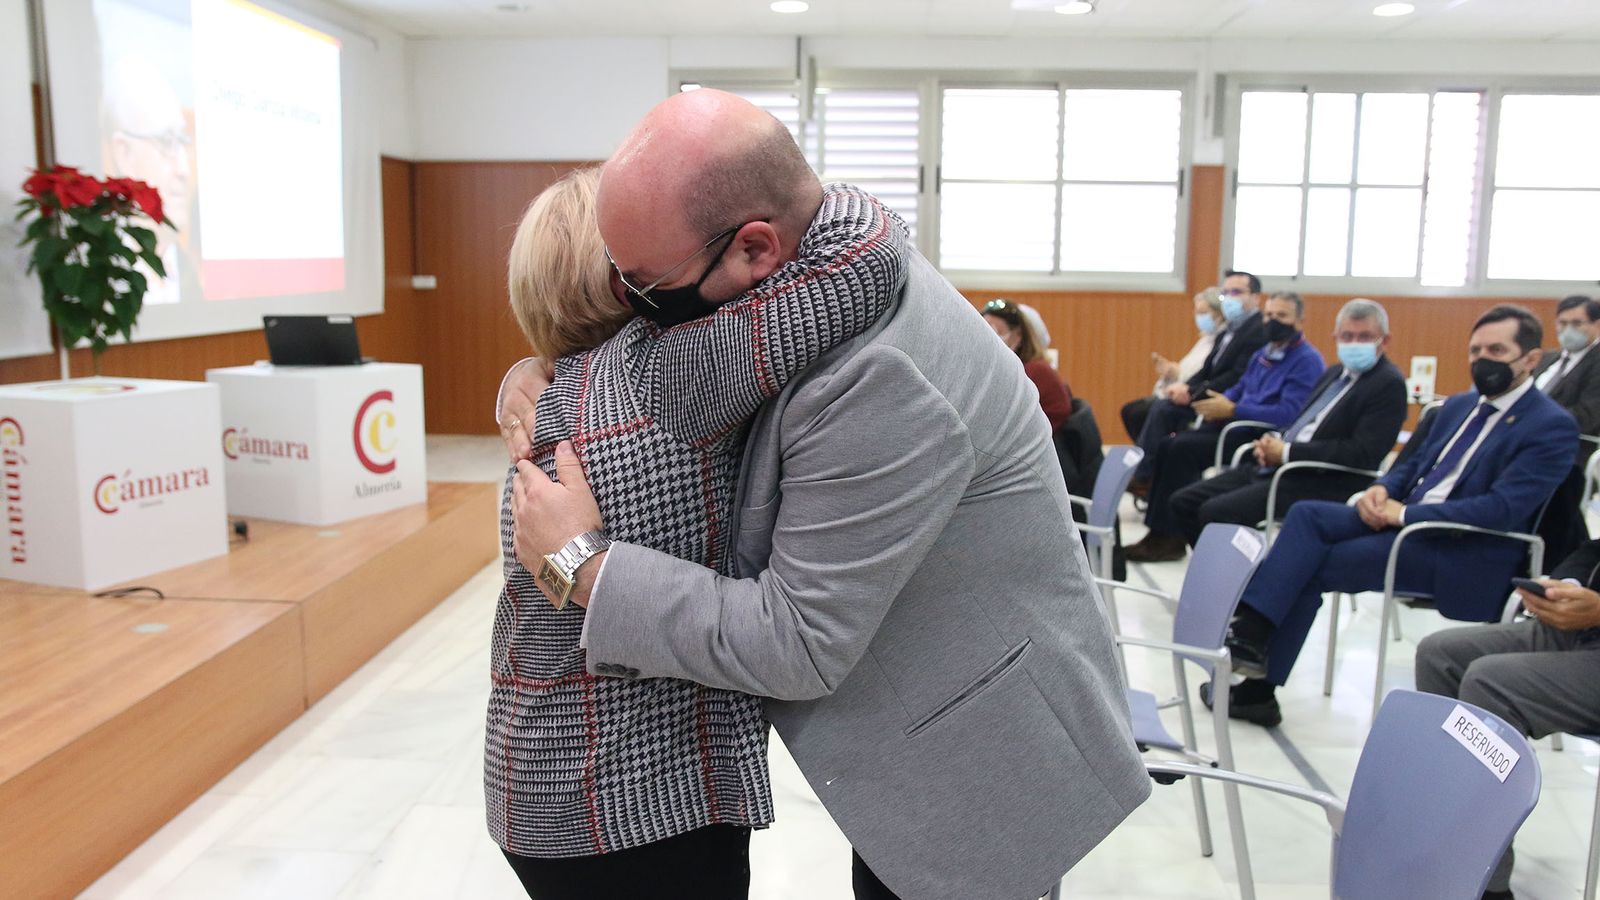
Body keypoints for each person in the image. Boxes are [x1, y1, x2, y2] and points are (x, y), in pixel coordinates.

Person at [502, 89, 1148, 900]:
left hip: (975, 747)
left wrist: (582, 561)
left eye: (646, 290)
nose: (639, 321)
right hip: (930, 705)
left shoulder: (877, 378)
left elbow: (796, 640)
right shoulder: (834, 269)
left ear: (754, 250)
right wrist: (554, 371)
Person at [487, 169, 907, 897]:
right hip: (630, 803)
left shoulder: (557, 396)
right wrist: (787, 183)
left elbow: (549, 579)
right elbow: (861, 260)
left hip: (537, 778)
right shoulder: (670, 376)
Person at [1216, 305, 1578, 727]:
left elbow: (1502, 509)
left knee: (1316, 564)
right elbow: (1409, 465)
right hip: (1405, 523)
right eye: (1476, 350)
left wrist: (1404, 514)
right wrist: (1381, 491)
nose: (1483, 360)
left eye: (1497, 350)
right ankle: (1254, 629)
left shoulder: (1550, 425)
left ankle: (1256, 673)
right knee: (1307, 516)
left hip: (1462, 545)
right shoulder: (1457, 407)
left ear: (1531, 359)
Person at [1415, 537, 1600, 900]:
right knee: (1439, 655)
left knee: (1491, 683)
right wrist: (1566, 588)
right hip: (1583, 632)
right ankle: (1449, 839)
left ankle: (1487, 883)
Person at [1167, 299, 1407, 549]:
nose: (1354, 343)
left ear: (1384, 340)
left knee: (1217, 511)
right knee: (1183, 501)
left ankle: (1247, 583)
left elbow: (1363, 453)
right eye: (1348, 336)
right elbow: (1300, 422)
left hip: (1322, 479)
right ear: (1336, 337)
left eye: (1365, 337)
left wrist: (1288, 452)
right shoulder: (1334, 374)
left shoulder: (1388, 384)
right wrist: (1272, 441)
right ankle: (1224, 578)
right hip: (1280, 468)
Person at [1125, 291, 1324, 562]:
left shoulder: (1306, 361)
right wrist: (1221, 402)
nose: (1273, 321)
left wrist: (1234, 409)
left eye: (1282, 315)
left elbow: (1289, 413)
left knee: (1182, 448)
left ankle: (1168, 537)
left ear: (1299, 321)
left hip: (1257, 434)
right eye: (1269, 315)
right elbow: (1240, 387)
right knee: (1169, 443)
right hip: (1233, 422)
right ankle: (1160, 530)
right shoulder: (1263, 354)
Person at [1130, 270, 1268, 489]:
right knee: (1158, 413)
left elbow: (1235, 377)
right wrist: (1186, 387)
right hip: (1206, 394)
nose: (1230, 298)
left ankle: (1144, 474)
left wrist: (1193, 394)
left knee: (1163, 412)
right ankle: (1150, 477)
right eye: (1226, 293)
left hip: (1222, 402)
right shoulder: (1230, 331)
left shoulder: (1258, 330)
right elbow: (1206, 370)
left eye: (1237, 292)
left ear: (1256, 297)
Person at [1532, 295, 1600, 566]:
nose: (1567, 330)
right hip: (1532, 444)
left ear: (1596, 324)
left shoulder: (1597, 362)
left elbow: (1587, 415)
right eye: (1562, 322)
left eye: (1577, 323)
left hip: (1574, 451)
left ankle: (1554, 562)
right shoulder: (1547, 360)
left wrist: (1533, 423)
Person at [1122, 287, 1224, 442]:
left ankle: (1149, 457)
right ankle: (1145, 453)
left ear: (1219, 313)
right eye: (1197, 312)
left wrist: (1177, 373)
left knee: (1139, 413)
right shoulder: (1204, 339)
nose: (1199, 317)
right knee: (1130, 410)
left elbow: (1206, 374)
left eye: (1204, 312)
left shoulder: (1221, 341)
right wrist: (1170, 371)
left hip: (1193, 397)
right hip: (1177, 389)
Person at [982, 297, 1073, 430]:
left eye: (997, 333)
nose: (990, 341)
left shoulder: (1033, 371)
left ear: (1018, 335)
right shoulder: (1019, 369)